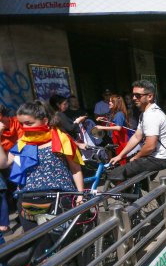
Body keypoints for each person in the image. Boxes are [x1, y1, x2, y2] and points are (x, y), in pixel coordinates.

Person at [0, 101, 85, 231]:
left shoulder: (61, 138)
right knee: (37, 245)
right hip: (28, 201)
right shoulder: (23, 142)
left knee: (60, 242)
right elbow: (3, 163)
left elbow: (75, 169)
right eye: (22, 124)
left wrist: (80, 194)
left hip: (58, 200)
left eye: (29, 123)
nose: (24, 128)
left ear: (45, 120)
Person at [108, 80, 166, 181]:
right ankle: (159, 194)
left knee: (114, 174)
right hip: (155, 156)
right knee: (140, 181)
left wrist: (136, 157)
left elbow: (150, 146)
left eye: (138, 95)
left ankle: (132, 196)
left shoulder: (152, 115)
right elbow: (136, 137)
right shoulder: (146, 113)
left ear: (150, 96)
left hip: (159, 158)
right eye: (133, 95)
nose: (134, 98)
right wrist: (120, 156)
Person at [95, 95, 130, 165]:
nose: (109, 103)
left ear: (116, 103)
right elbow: (113, 122)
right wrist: (104, 119)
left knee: (123, 159)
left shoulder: (119, 114)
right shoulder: (115, 113)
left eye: (111, 101)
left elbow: (118, 127)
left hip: (122, 141)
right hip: (118, 140)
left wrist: (102, 127)